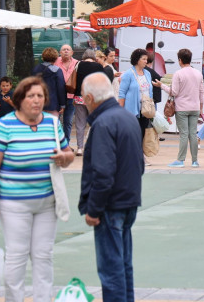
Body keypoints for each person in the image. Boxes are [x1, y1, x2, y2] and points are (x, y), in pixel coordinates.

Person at [0, 76, 74, 302]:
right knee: (17, 255)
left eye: (40, 96)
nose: (36, 101)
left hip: (47, 203)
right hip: (14, 203)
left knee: (44, 256)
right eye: (31, 96)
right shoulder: (5, 126)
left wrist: (65, 157)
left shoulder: (52, 124)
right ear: (20, 99)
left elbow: (69, 152)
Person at [79, 73, 144, 302]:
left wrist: (94, 209)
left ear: (88, 98)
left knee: (111, 269)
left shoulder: (103, 123)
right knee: (123, 264)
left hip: (111, 204)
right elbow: (139, 164)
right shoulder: (127, 118)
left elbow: (103, 173)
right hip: (128, 199)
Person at [159, 48, 204, 168]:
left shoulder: (178, 74)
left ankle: (181, 159)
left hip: (182, 108)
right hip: (195, 107)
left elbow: (174, 92)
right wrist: (201, 108)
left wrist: (162, 85)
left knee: (184, 134)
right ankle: (195, 161)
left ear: (180, 60)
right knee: (193, 134)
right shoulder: (198, 73)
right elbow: (201, 92)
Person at [73, 49, 107, 155]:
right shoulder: (98, 67)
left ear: (84, 56)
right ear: (94, 56)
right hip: (94, 98)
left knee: (80, 124)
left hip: (80, 97)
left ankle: (79, 148)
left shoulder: (78, 65)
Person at [117, 48, 153, 140]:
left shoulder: (147, 73)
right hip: (132, 111)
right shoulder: (128, 74)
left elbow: (150, 91)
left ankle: (139, 153)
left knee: (143, 135)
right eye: (144, 59)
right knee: (133, 135)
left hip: (145, 110)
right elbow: (122, 93)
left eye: (146, 59)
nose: (146, 61)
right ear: (137, 59)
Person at [55, 44, 79, 148]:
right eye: (63, 49)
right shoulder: (56, 62)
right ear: (60, 52)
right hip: (57, 96)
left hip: (71, 96)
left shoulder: (77, 63)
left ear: (72, 52)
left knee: (68, 122)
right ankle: (57, 144)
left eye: (68, 49)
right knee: (56, 121)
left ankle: (66, 145)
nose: (66, 51)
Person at [31, 47, 67, 116]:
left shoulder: (35, 69)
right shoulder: (57, 70)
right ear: (56, 57)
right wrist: (62, 104)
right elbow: (61, 88)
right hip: (53, 103)